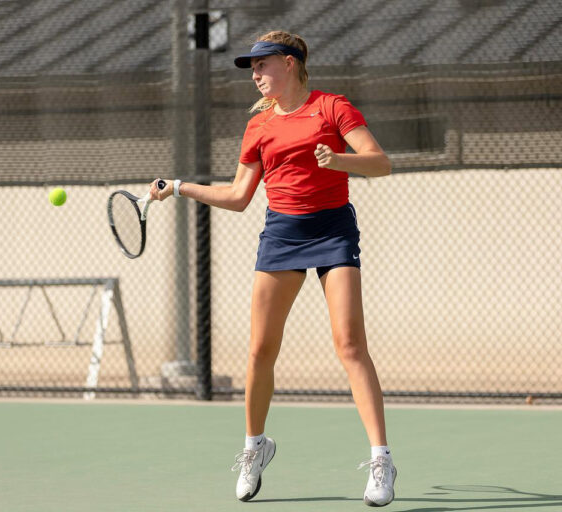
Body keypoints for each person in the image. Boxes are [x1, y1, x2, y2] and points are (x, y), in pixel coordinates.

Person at [150, 30, 396, 507]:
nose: (256, 76)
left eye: (262, 66)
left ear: (289, 63)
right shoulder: (260, 126)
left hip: (332, 231)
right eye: (252, 69)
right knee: (261, 349)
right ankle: (254, 447)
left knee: (349, 344)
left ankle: (382, 460)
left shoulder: (332, 107)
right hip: (282, 235)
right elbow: (239, 197)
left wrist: (340, 160)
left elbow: (380, 163)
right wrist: (180, 186)